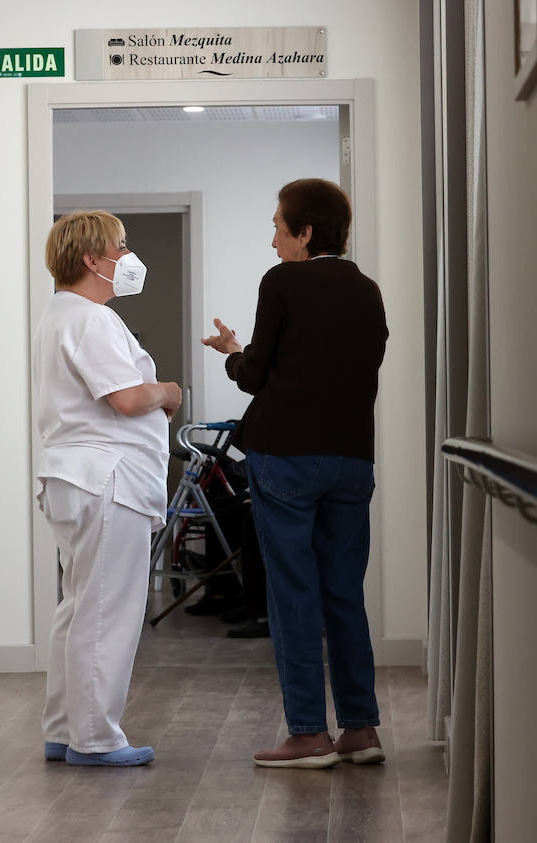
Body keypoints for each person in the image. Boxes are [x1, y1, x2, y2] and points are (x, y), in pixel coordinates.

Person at [202, 178, 389, 769]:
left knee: (293, 594)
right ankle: (361, 730)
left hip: (285, 456)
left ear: (306, 232)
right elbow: (359, 364)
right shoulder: (367, 289)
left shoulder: (281, 281)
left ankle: (308, 734)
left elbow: (257, 374)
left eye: (280, 227)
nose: (274, 237)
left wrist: (232, 351)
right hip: (352, 458)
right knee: (343, 594)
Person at [33, 210, 182, 767]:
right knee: (107, 611)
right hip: (105, 480)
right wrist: (167, 390)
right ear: (93, 260)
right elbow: (125, 398)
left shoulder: (60, 314)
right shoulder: (91, 319)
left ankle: (65, 728)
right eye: (120, 248)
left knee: (78, 608)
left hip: (76, 478)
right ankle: (95, 739)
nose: (128, 257)